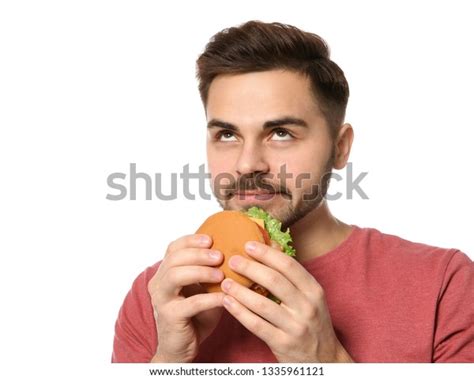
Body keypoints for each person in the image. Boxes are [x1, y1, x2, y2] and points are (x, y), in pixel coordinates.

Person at [111, 20, 474, 363]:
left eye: (281, 133)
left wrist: (329, 362)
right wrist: (167, 363)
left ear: (340, 147)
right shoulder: (159, 295)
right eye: (227, 134)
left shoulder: (444, 284)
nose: (247, 163)